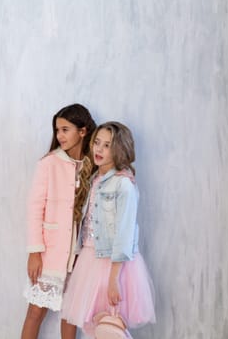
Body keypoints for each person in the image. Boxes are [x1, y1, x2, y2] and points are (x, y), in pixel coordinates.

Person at [61, 121, 156, 338]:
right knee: (91, 325)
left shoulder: (123, 185)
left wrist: (113, 280)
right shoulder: (95, 179)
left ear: (119, 149)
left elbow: (124, 235)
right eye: (97, 143)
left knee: (109, 327)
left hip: (111, 264)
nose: (99, 149)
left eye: (107, 145)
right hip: (89, 258)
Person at [21, 104, 97, 339]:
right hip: (50, 253)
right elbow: (35, 208)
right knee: (36, 311)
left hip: (80, 254)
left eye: (65, 129)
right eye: (57, 130)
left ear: (82, 131)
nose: (59, 136)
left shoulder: (94, 165)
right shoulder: (48, 164)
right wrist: (35, 251)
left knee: (70, 315)